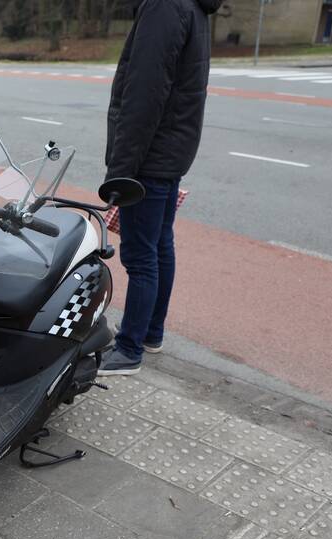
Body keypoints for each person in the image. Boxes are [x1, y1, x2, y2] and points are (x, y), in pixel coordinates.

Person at [97, 0, 221, 376]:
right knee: (159, 244)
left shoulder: (165, 5)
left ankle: (129, 348)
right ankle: (150, 332)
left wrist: (121, 170)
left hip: (151, 152)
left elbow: (144, 93)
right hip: (171, 147)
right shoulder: (191, 6)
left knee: (139, 255)